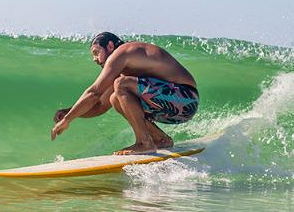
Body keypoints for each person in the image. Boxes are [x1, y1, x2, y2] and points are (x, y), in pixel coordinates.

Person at [51, 32, 200, 155]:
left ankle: (144, 142)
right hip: (177, 106)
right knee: (115, 98)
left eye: (96, 53)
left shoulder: (123, 52)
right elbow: (100, 105)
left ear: (110, 46)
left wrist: (67, 120)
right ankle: (160, 139)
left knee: (120, 85)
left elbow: (94, 92)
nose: (95, 59)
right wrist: (68, 113)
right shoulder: (125, 69)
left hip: (186, 98)